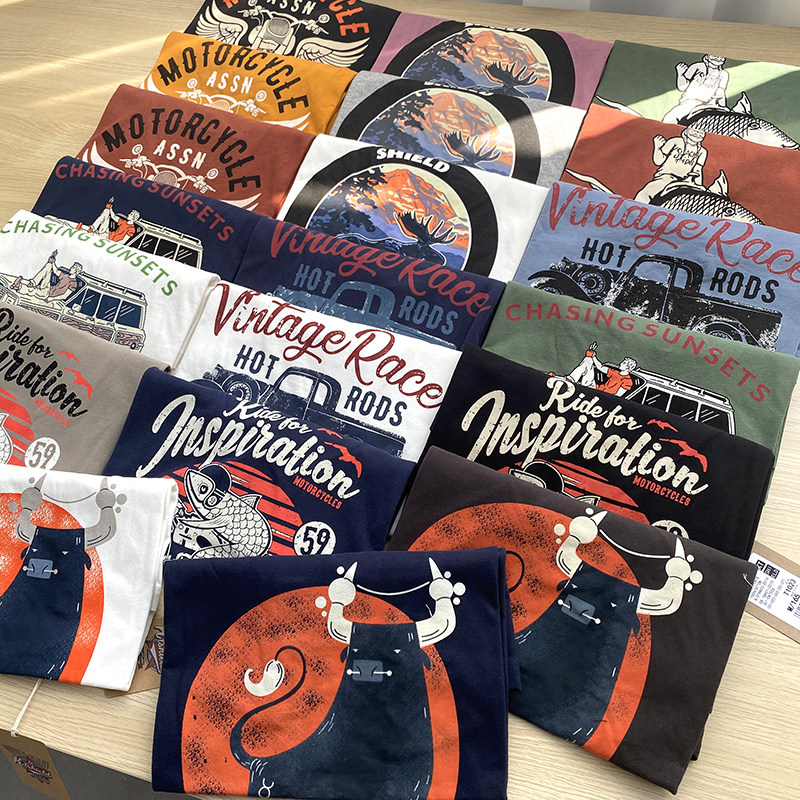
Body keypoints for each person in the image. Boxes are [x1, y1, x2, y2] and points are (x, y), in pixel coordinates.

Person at [634, 126, 708, 204]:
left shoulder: (702, 151)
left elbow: (697, 170)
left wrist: (698, 186)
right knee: (646, 193)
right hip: (666, 177)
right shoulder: (675, 141)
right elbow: (659, 161)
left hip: (686, 181)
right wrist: (658, 146)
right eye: (694, 130)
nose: (697, 133)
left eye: (701, 132)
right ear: (687, 130)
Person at [662, 54, 729, 125]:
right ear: (708, 55)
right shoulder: (697, 66)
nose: (718, 58)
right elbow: (682, 87)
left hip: (709, 105)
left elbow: (720, 92)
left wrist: (723, 108)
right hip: (689, 103)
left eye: (721, 56)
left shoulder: (724, 74)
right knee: (669, 118)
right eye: (714, 55)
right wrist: (680, 74)